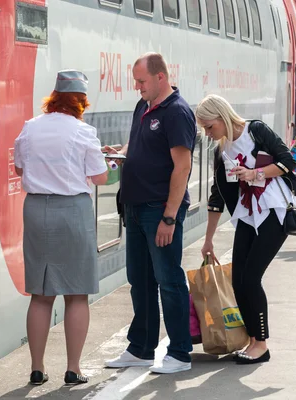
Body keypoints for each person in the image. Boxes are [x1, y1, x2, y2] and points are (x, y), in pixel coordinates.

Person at [13, 69, 109, 386]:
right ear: (80, 101)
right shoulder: (83, 131)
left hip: (36, 209)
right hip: (72, 211)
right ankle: (73, 368)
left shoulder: (30, 127)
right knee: (76, 294)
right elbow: (99, 177)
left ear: (54, 97)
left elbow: (19, 166)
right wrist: (107, 161)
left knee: (41, 295)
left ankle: (37, 369)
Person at [104, 52, 196, 374]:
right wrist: (119, 153)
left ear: (161, 77)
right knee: (139, 280)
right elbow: (137, 145)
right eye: (136, 82)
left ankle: (180, 353)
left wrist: (169, 217)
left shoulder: (177, 112)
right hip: (135, 206)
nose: (137, 87)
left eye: (141, 81)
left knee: (168, 279)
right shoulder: (144, 106)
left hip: (158, 210)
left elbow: (182, 167)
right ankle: (142, 348)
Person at [195, 94, 296, 364]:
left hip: (273, 213)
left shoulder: (255, 131)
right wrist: (208, 240)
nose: (208, 133)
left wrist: (256, 174)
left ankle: (261, 344)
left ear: (222, 116)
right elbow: (217, 195)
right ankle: (252, 340)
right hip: (247, 217)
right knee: (238, 280)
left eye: (209, 126)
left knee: (251, 278)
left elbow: (289, 162)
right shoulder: (221, 150)